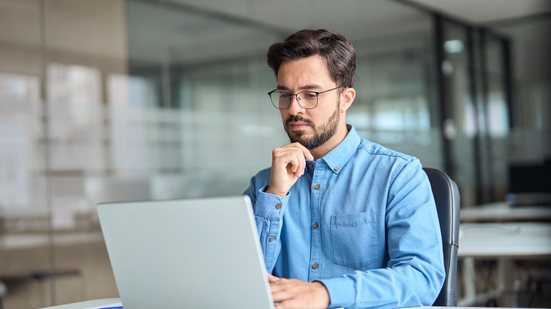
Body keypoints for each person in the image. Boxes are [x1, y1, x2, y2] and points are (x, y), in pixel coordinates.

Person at [243, 29, 445, 309]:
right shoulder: (263, 185)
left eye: (310, 94)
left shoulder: (398, 175)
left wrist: (325, 293)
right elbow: (244, 281)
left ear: (346, 98)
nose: (294, 109)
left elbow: (422, 279)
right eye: (286, 95)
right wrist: (275, 196)